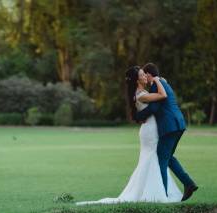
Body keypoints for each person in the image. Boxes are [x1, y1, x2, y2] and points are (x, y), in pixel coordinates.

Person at [76, 65, 182, 205]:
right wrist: (157, 80)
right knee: (152, 158)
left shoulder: (142, 92)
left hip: (151, 129)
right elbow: (162, 95)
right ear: (137, 80)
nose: (145, 77)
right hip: (149, 131)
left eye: (145, 74)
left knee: (154, 158)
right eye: (142, 75)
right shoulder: (141, 94)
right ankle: (157, 193)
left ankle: (157, 191)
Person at [135, 63, 198, 201]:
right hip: (179, 123)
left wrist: (138, 116)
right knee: (168, 157)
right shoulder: (162, 82)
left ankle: (162, 195)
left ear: (149, 75)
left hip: (169, 127)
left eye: (144, 74)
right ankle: (188, 183)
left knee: (161, 160)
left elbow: (153, 109)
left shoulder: (155, 86)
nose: (144, 77)